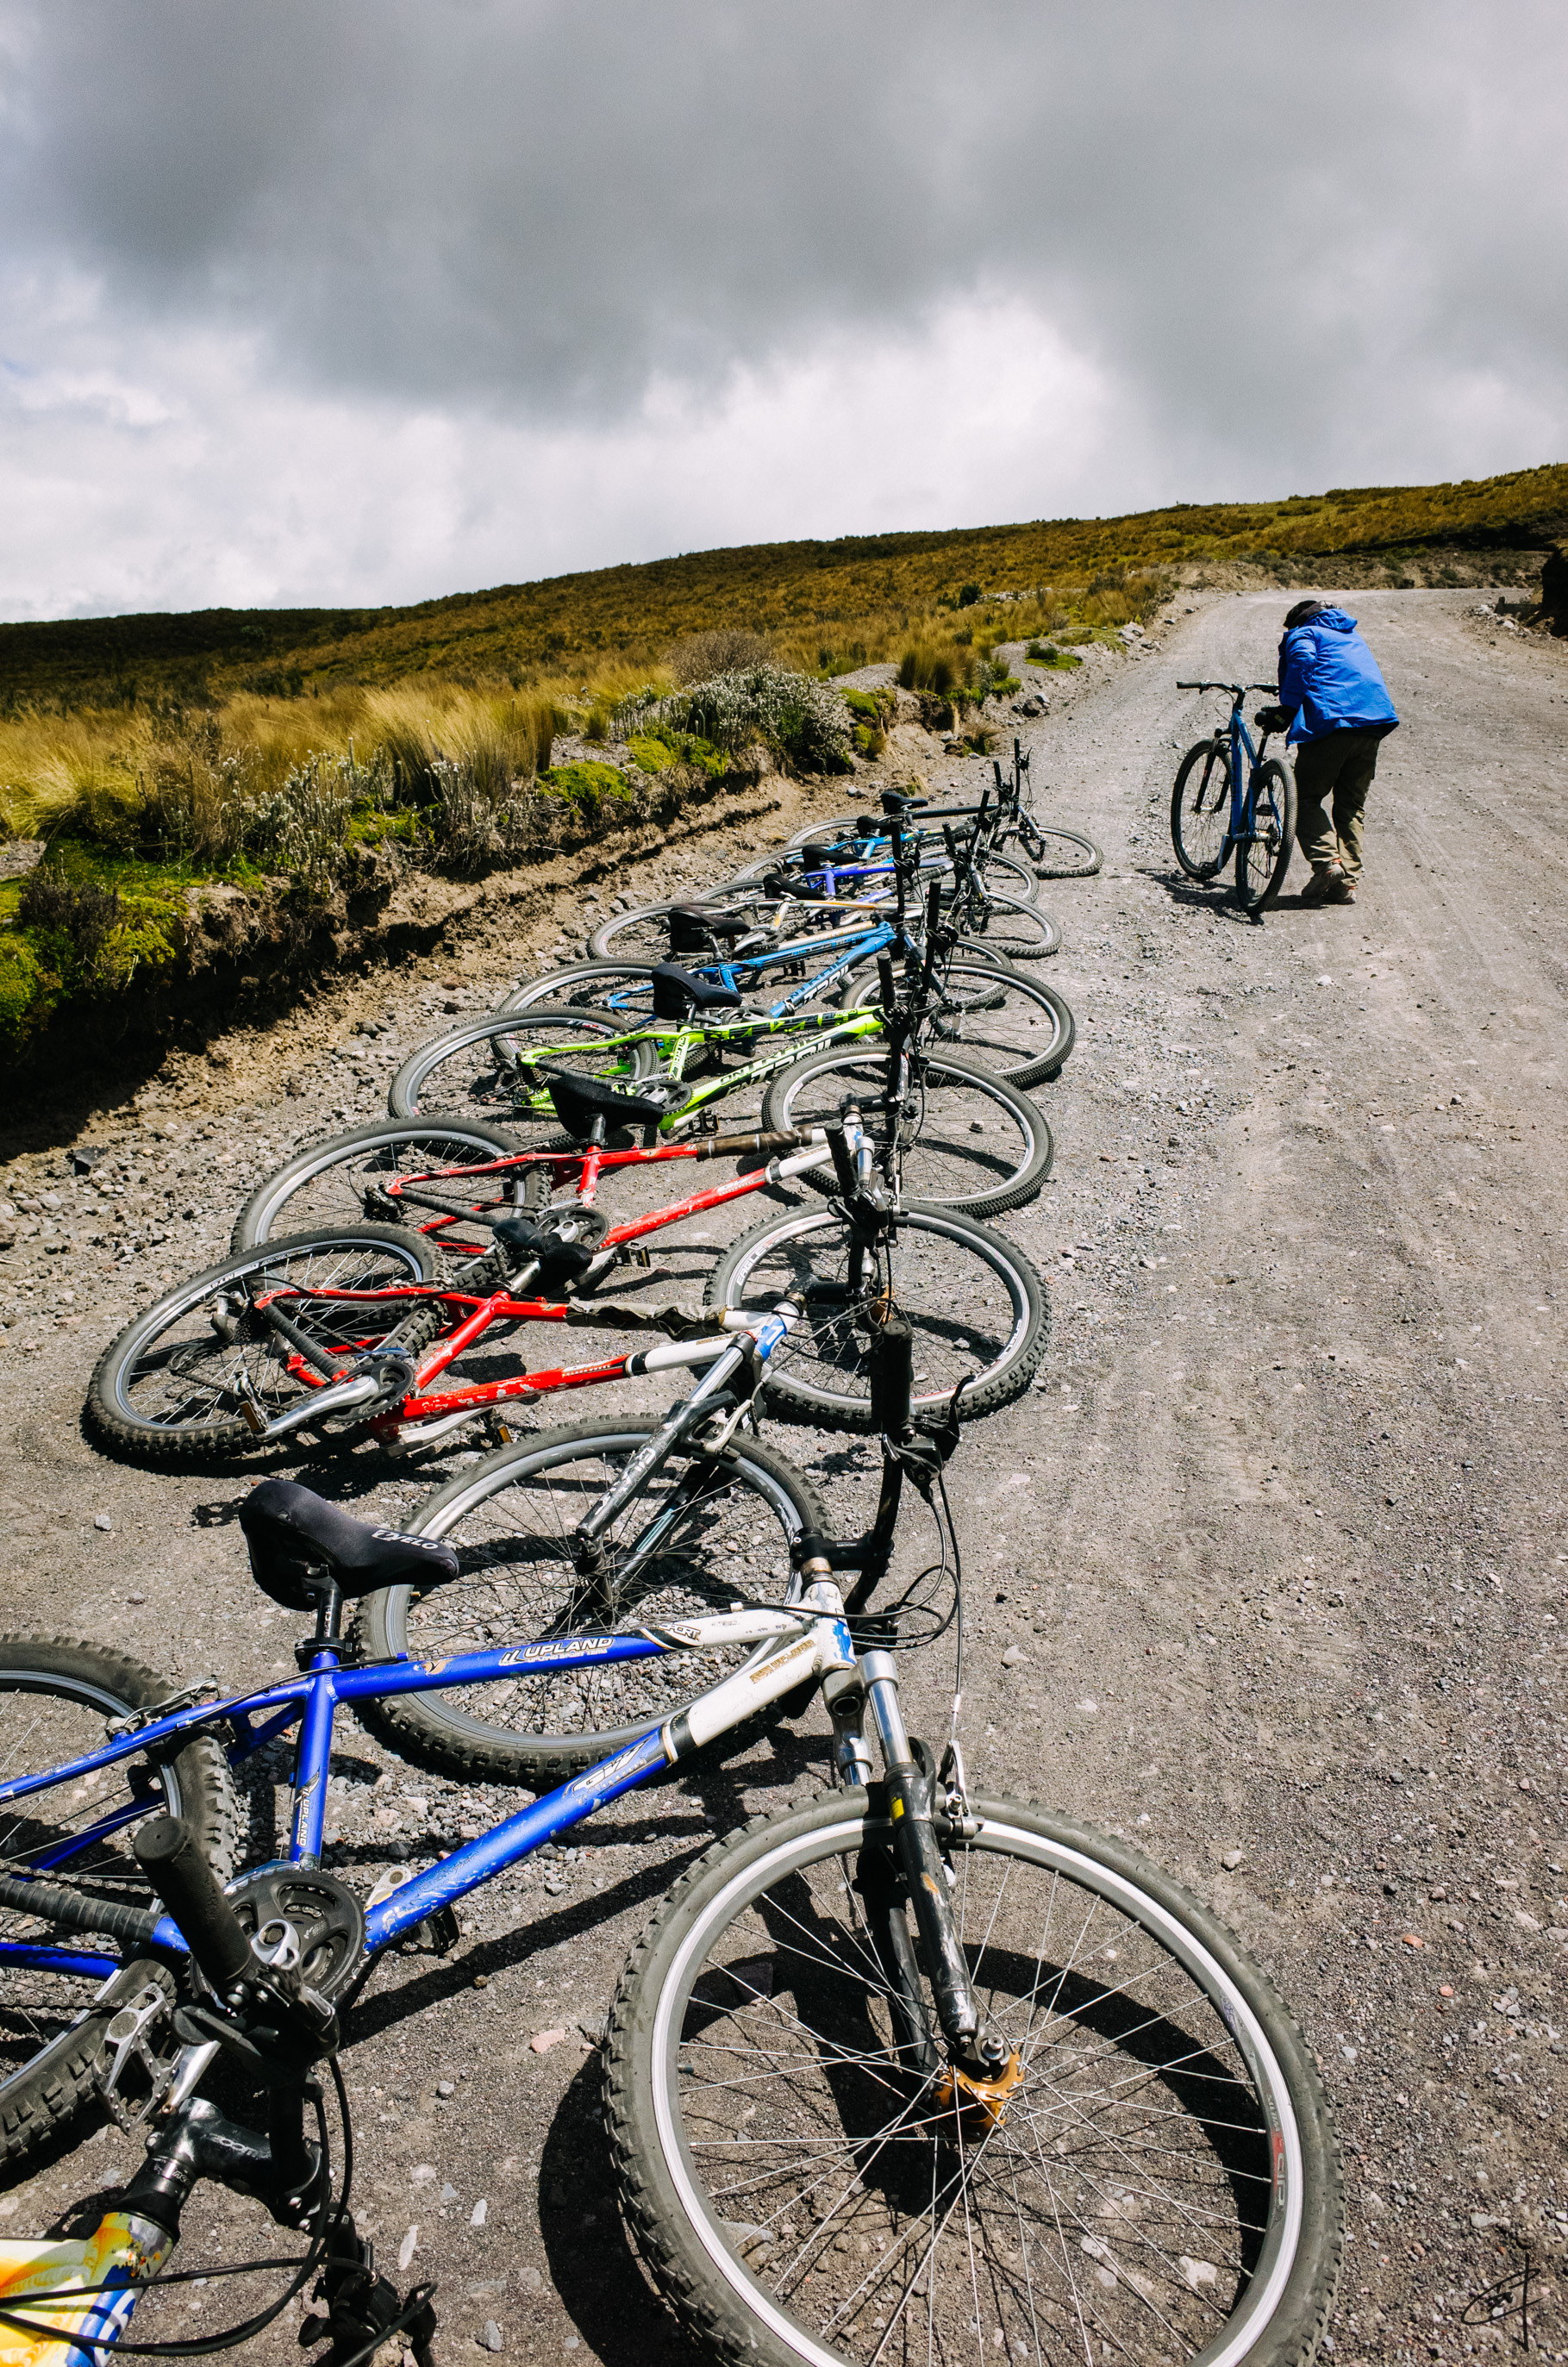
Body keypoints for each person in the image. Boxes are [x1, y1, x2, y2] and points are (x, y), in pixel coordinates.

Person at [1277, 598, 1398, 907]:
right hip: (1373, 722)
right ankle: (1346, 885)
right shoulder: (1350, 635)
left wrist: (1287, 709)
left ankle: (1327, 863)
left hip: (1334, 722)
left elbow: (1302, 661)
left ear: (1298, 621)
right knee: (1351, 806)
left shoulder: (1304, 633)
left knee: (1302, 797)